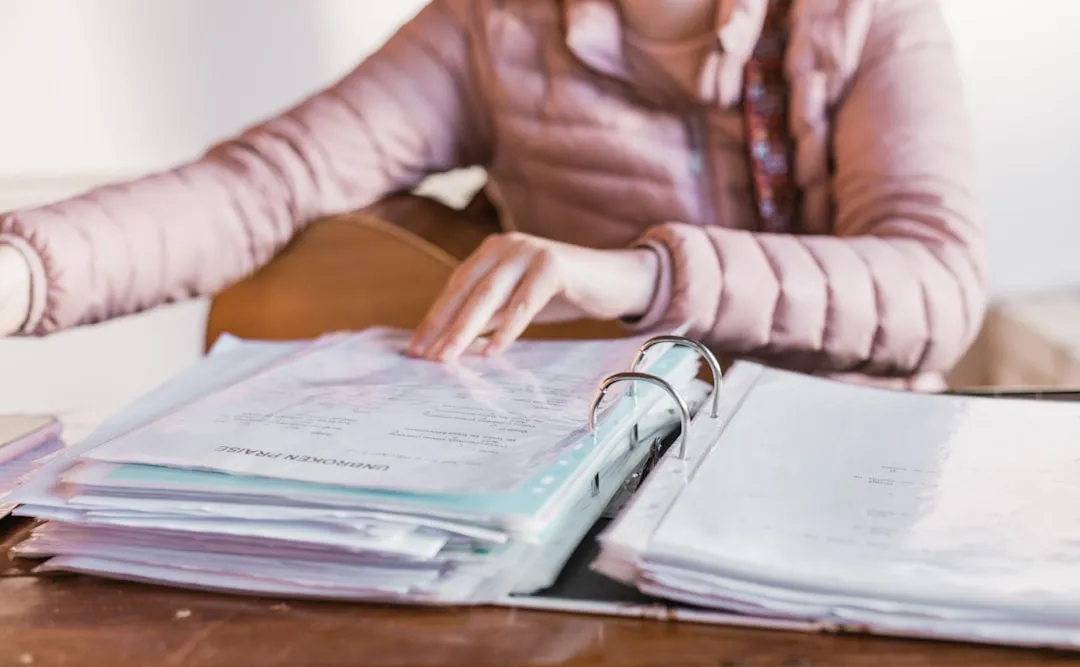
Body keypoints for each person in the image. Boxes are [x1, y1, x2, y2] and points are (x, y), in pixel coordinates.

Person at [0, 0, 985, 389]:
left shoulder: (870, 20)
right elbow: (266, 184)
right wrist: (20, 274)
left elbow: (936, 293)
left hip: (848, 478)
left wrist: (643, 276)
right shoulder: (491, 25)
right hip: (591, 479)